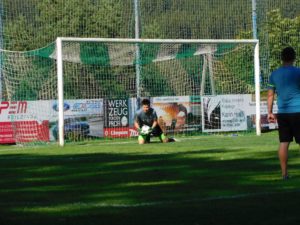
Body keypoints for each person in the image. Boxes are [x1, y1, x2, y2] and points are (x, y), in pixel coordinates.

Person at [267, 46, 300, 180]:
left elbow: (270, 95)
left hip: (282, 113)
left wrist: (269, 112)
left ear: (281, 58)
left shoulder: (274, 74)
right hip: (298, 111)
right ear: (294, 57)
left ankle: (284, 174)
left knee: (284, 142)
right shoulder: (298, 72)